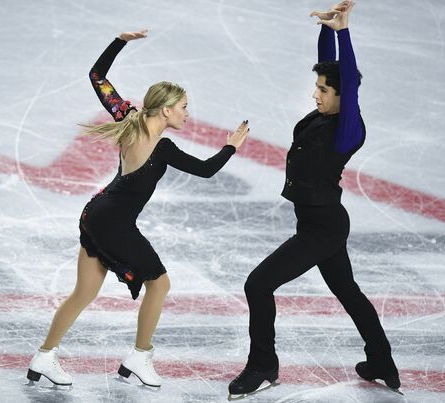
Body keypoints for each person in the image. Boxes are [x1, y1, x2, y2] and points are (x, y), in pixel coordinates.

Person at [27, 29, 249, 388]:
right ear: (166, 109)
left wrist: (120, 41)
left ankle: (44, 356)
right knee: (159, 284)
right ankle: (140, 356)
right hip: (113, 223)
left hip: (94, 214)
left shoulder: (127, 118)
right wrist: (231, 146)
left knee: (84, 293)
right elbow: (207, 170)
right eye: (184, 107)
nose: (188, 113)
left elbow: (97, 76)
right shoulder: (163, 148)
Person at [228, 2, 400, 399]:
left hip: (323, 227)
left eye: (323, 90)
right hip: (317, 222)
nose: (315, 93)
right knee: (348, 290)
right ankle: (381, 360)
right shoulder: (324, 115)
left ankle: (262, 365)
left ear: (344, 97)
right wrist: (327, 30)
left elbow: (350, 87)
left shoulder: (347, 131)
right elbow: (330, 67)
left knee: (258, 284)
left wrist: (345, 33)